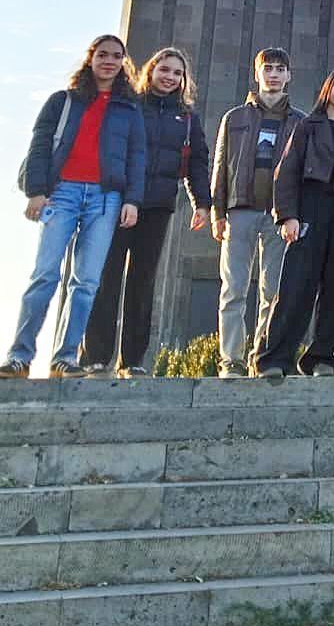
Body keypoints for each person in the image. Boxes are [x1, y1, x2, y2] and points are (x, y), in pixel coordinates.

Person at [2, 35, 145, 379]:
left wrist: (132, 200)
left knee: (86, 282)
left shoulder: (129, 108)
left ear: (123, 63)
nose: (109, 61)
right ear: (90, 59)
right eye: (102, 55)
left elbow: (137, 157)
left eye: (116, 56)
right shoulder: (62, 100)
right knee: (45, 275)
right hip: (62, 193)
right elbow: (39, 145)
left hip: (105, 198)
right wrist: (36, 191)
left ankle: (65, 357)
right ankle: (19, 356)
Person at [81, 47, 211, 379]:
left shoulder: (188, 119)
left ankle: (133, 360)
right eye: (164, 70)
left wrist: (202, 203)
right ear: (150, 71)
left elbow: (197, 162)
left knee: (143, 281)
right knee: (107, 276)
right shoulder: (129, 106)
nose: (170, 77)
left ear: (184, 80)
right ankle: (95, 356)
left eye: (177, 73)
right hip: (118, 203)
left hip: (157, 207)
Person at [255, 66, 334, 380]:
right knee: (296, 287)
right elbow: (286, 172)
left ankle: (321, 359)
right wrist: (287, 216)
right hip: (311, 208)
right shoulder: (308, 125)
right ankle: (274, 358)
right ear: (328, 89)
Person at [210, 48, 305, 378]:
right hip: (240, 211)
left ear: (289, 76)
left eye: (281, 69)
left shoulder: (300, 122)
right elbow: (220, 166)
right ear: (257, 73)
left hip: (279, 216)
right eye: (269, 69)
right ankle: (231, 361)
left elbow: (302, 173)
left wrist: (295, 214)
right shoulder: (234, 118)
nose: (274, 74)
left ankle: (263, 356)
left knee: (273, 291)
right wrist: (217, 212)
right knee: (234, 288)